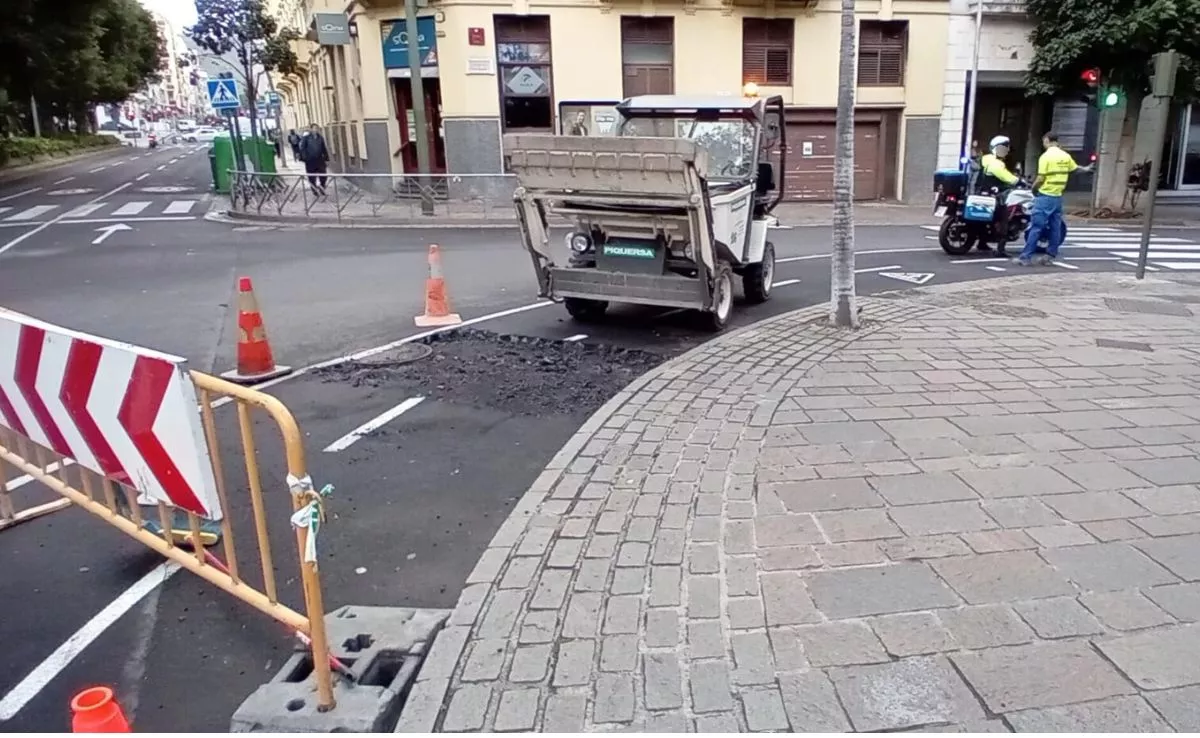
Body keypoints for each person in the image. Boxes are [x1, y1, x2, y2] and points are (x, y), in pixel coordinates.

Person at [1019, 131, 1094, 266]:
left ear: (1047, 140)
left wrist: (1034, 189)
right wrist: (1087, 168)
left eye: (1044, 142)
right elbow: (1075, 169)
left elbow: (1041, 178)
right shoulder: (1065, 156)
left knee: (1036, 227)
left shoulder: (1045, 157)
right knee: (1055, 227)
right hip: (1058, 197)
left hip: (1045, 196)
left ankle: (1025, 257)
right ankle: (1049, 256)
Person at [977, 135, 1021, 256]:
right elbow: (1008, 178)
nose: (1006, 150)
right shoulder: (996, 164)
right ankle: (1001, 249)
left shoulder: (985, 159)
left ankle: (982, 243)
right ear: (995, 148)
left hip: (983, 193)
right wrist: (1019, 181)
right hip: (995, 196)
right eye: (1004, 147)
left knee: (986, 220)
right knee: (1004, 219)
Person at [298, 123, 329, 196]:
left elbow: (324, 148)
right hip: (310, 160)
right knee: (312, 177)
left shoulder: (320, 138)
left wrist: (326, 158)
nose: (316, 130)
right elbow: (302, 148)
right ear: (311, 129)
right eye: (314, 128)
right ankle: (314, 190)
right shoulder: (306, 138)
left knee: (324, 176)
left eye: (317, 128)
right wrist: (305, 158)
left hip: (320, 160)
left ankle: (322, 188)